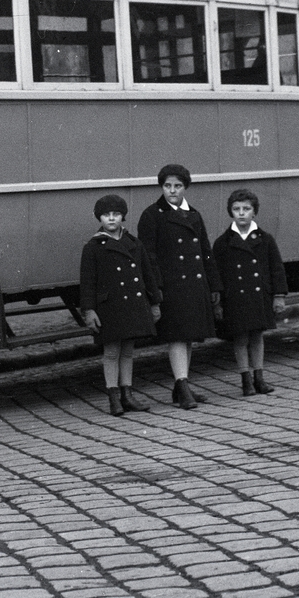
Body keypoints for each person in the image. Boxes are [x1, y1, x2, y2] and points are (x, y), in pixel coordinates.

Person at [136, 164, 221, 410]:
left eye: (177, 186)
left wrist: (214, 285)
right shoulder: (152, 215)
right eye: (167, 186)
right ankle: (182, 387)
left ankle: (181, 386)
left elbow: (205, 252)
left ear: (185, 187)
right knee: (177, 336)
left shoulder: (194, 214)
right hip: (170, 287)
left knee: (189, 335)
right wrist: (155, 289)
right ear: (161, 187)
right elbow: (148, 257)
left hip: (195, 285)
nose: (172, 191)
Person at [78, 194, 160, 416]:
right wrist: (89, 310)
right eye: (106, 215)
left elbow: (147, 274)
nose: (112, 219)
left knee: (128, 351)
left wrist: (154, 302)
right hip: (109, 308)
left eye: (116, 214)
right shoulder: (93, 247)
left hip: (132, 305)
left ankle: (127, 395)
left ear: (123, 216)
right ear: (100, 218)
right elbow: (87, 283)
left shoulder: (134, 243)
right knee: (112, 352)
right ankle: (113, 397)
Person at [211, 188, 288, 396]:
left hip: (259, 296)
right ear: (230, 212)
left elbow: (276, 268)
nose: (241, 213)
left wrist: (279, 296)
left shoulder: (265, 239)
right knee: (240, 337)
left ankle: (259, 378)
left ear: (254, 212)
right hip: (235, 298)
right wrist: (217, 301)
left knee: (257, 336)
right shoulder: (222, 243)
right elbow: (215, 272)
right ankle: (245, 379)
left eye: (246, 209)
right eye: (236, 209)